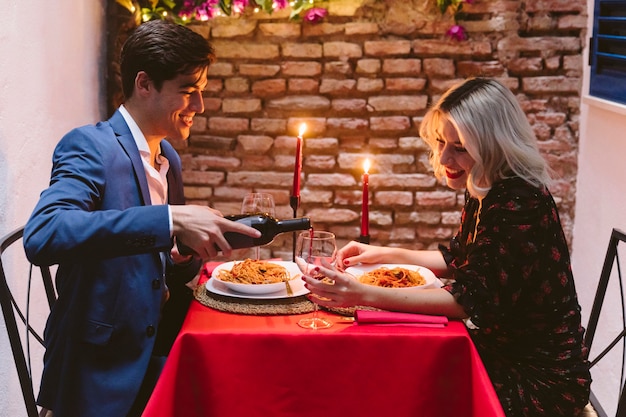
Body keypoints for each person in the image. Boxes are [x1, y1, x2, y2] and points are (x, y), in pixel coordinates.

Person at [296, 77, 591, 417]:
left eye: (460, 148)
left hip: (538, 379)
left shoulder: (519, 201)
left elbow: (466, 301)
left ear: (493, 146)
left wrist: (360, 293)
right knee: (391, 370)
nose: (445, 157)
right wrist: (382, 253)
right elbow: (460, 259)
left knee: (397, 383)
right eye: (440, 142)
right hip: (499, 350)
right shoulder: (488, 184)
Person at [23, 20, 260, 417]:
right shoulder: (90, 145)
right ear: (145, 84)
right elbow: (44, 234)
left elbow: (159, 270)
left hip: (155, 348)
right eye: (188, 91)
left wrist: (182, 255)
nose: (199, 106)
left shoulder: (169, 157)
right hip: (101, 371)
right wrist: (168, 220)